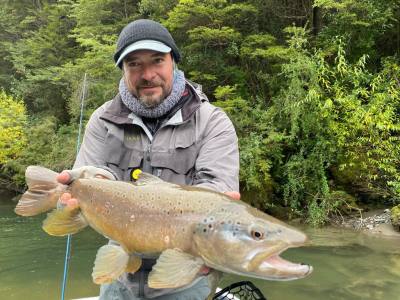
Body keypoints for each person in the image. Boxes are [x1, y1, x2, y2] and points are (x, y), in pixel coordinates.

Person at [57, 19, 240, 300]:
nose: (147, 74)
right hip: (119, 274)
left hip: (187, 278)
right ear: (123, 70)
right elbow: (89, 176)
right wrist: (74, 195)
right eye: (134, 64)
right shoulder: (102, 121)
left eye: (157, 61)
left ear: (174, 63)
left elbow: (216, 194)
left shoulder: (212, 123)